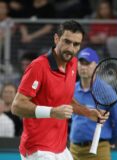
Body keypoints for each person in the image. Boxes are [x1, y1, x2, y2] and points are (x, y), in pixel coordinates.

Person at [11, 20, 108, 160]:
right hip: (37, 149)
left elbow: (65, 99)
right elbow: (17, 106)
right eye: (67, 42)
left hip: (61, 148)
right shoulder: (38, 66)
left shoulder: (74, 63)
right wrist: (53, 112)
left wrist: (87, 112)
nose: (70, 48)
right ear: (56, 39)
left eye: (76, 44)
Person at [69, 48, 117, 160]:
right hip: (74, 150)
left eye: (87, 63)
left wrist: (109, 141)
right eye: (81, 62)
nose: (83, 66)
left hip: (99, 150)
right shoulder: (71, 89)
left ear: (97, 67)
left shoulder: (106, 90)